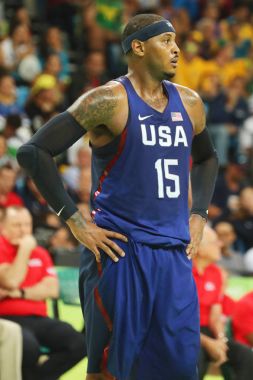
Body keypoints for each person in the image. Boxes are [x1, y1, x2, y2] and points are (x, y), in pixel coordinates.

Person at [17, 13, 219, 380]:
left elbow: (207, 158)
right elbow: (33, 153)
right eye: (166, 41)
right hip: (120, 254)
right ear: (138, 48)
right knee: (111, 371)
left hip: (174, 257)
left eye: (176, 41)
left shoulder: (190, 103)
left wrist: (199, 213)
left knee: (178, 370)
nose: (176, 50)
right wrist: (76, 223)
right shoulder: (108, 100)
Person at [0, 206, 86, 380]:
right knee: (29, 347)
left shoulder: (40, 253)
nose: (23, 230)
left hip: (39, 318)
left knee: (78, 344)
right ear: (3, 227)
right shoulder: (3, 249)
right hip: (7, 318)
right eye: (17, 225)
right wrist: (24, 250)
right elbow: (11, 280)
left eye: (27, 225)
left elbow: (52, 289)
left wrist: (20, 293)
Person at [193, 225, 253, 380]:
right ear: (198, 248)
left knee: (246, 356)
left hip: (208, 331)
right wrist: (208, 343)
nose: (220, 244)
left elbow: (215, 314)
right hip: (186, 332)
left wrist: (220, 339)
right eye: (214, 242)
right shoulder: (183, 272)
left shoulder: (216, 273)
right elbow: (176, 320)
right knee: (195, 356)